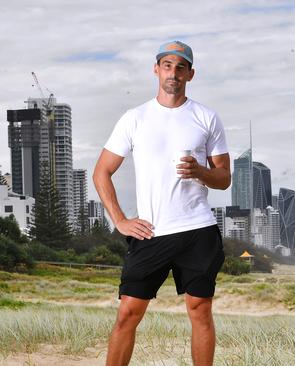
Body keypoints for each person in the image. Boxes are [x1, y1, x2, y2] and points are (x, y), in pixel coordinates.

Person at [93, 40, 231, 366]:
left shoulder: (206, 118)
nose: (173, 73)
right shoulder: (135, 118)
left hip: (198, 229)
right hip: (151, 232)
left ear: (191, 74)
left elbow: (224, 177)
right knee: (128, 311)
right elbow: (102, 172)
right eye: (167, 65)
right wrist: (120, 220)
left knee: (200, 310)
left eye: (181, 67)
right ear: (156, 69)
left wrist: (200, 171)